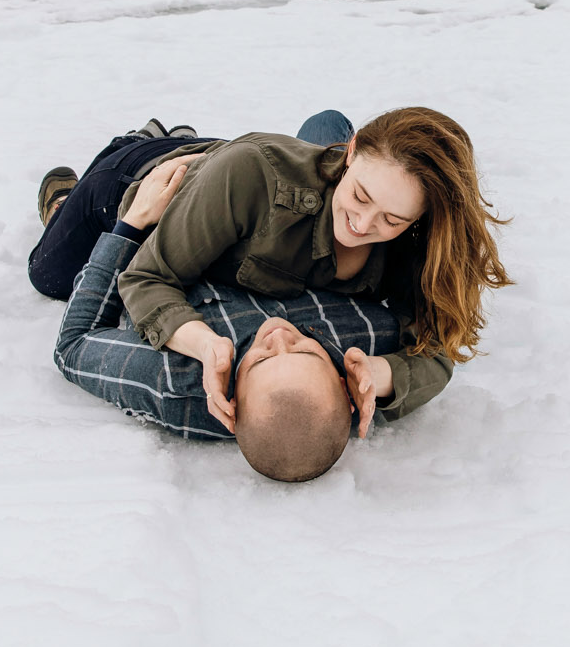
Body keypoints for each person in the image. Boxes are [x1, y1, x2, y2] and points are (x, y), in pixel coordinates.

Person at [29, 107, 509, 473]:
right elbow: (145, 277)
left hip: (246, 187)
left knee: (318, 147)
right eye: (362, 196)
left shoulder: (414, 241)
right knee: (49, 275)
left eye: (392, 219)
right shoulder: (257, 173)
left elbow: (436, 343)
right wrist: (383, 374)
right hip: (149, 184)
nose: (364, 224)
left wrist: (379, 375)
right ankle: (105, 171)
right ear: (353, 152)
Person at [52, 155, 411, 482]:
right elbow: (434, 340)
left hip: (158, 188)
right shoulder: (363, 340)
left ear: (233, 405)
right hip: (252, 190)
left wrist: (131, 224)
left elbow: (73, 346)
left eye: (260, 360)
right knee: (327, 131)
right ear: (346, 391)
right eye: (306, 350)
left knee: (49, 272)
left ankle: (71, 199)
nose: (278, 336)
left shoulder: (177, 383)